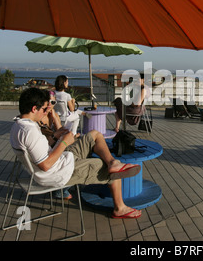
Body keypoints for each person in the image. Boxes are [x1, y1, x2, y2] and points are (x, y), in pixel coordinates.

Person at [10, 88, 142, 219]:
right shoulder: (29, 132)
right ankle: (120, 208)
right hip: (59, 172)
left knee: (94, 135)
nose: (45, 112)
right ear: (34, 109)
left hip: (59, 161)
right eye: (44, 109)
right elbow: (45, 165)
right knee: (109, 170)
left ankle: (112, 162)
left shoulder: (19, 125)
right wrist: (65, 143)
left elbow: (39, 152)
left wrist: (56, 137)